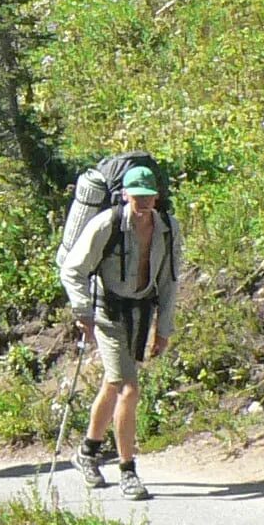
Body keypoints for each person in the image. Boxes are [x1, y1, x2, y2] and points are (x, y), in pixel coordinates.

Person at [62, 163, 181, 500]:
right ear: (124, 194)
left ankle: (87, 451)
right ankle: (128, 471)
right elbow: (72, 270)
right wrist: (83, 311)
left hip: (141, 311)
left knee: (113, 383)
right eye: (136, 195)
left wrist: (164, 328)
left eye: (148, 195)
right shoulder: (107, 224)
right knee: (129, 387)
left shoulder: (169, 228)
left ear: (156, 196)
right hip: (107, 312)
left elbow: (170, 280)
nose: (142, 202)